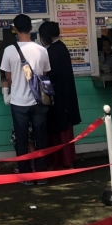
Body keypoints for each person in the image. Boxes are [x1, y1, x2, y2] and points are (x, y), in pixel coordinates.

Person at [1, 14, 51, 182]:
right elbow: (44, 75)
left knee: (21, 140)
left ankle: (26, 175)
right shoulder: (42, 50)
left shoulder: (9, 50)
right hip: (39, 101)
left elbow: (9, 79)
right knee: (41, 138)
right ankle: (42, 174)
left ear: (15, 30)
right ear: (31, 28)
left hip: (18, 102)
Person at [38, 21, 81, 169]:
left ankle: (59, 161)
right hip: (66, 97)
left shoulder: (51, 52)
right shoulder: (62, 48)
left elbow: (48, 77)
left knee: (57, 132)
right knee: (65, 131)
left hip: (56, 98)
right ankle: (67, 160)